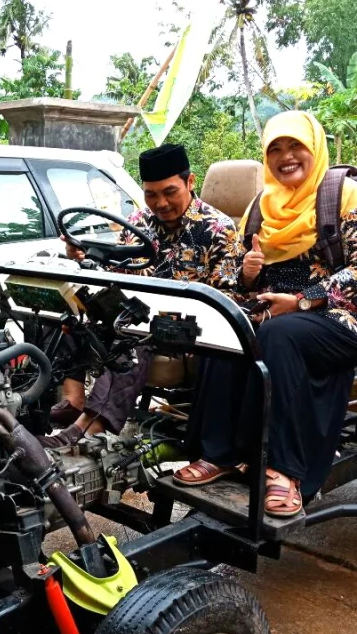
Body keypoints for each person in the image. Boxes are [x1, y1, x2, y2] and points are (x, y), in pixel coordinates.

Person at [174, 111, 357, 518]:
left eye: (295, 146)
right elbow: (237, 274)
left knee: (278, 336)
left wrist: (304, 299)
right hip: (278, 313)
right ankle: (221, 453)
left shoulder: (347, 195)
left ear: (313, 148)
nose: (286, 157)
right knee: (225, 327)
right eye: (275, 149)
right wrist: (248, 274)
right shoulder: (261, 205)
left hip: (342, 320)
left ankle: (283, 470)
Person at [40, 143, 244, 447]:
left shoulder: (218, 229)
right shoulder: (138, 223)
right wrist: (86, 258)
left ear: (190, 182)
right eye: (151, 194)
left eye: (170, 192)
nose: (160, 203)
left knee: (135, 329)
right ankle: (72, 399)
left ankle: (89, 427)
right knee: (64, 308)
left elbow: (228, 297)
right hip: (134, 310)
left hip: (187, 327)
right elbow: (120, 273)